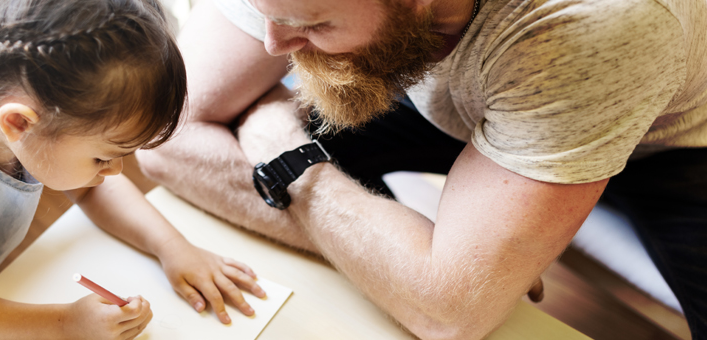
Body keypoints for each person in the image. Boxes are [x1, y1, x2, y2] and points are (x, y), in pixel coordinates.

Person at [135, 0, 707, 338]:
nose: (275, 42)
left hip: (676, 146)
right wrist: (408, 262)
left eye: (310, 22)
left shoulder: (588, 23)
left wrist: (289, 160)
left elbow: (450, 313)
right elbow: (160, 132)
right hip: (464, 99)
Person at [0, 0, 266, 339]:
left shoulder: (1, 96)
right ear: (19, 123)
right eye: (103, 156)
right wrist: (66, 324)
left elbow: (91, 187)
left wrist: (173, 247)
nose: (113, 172)